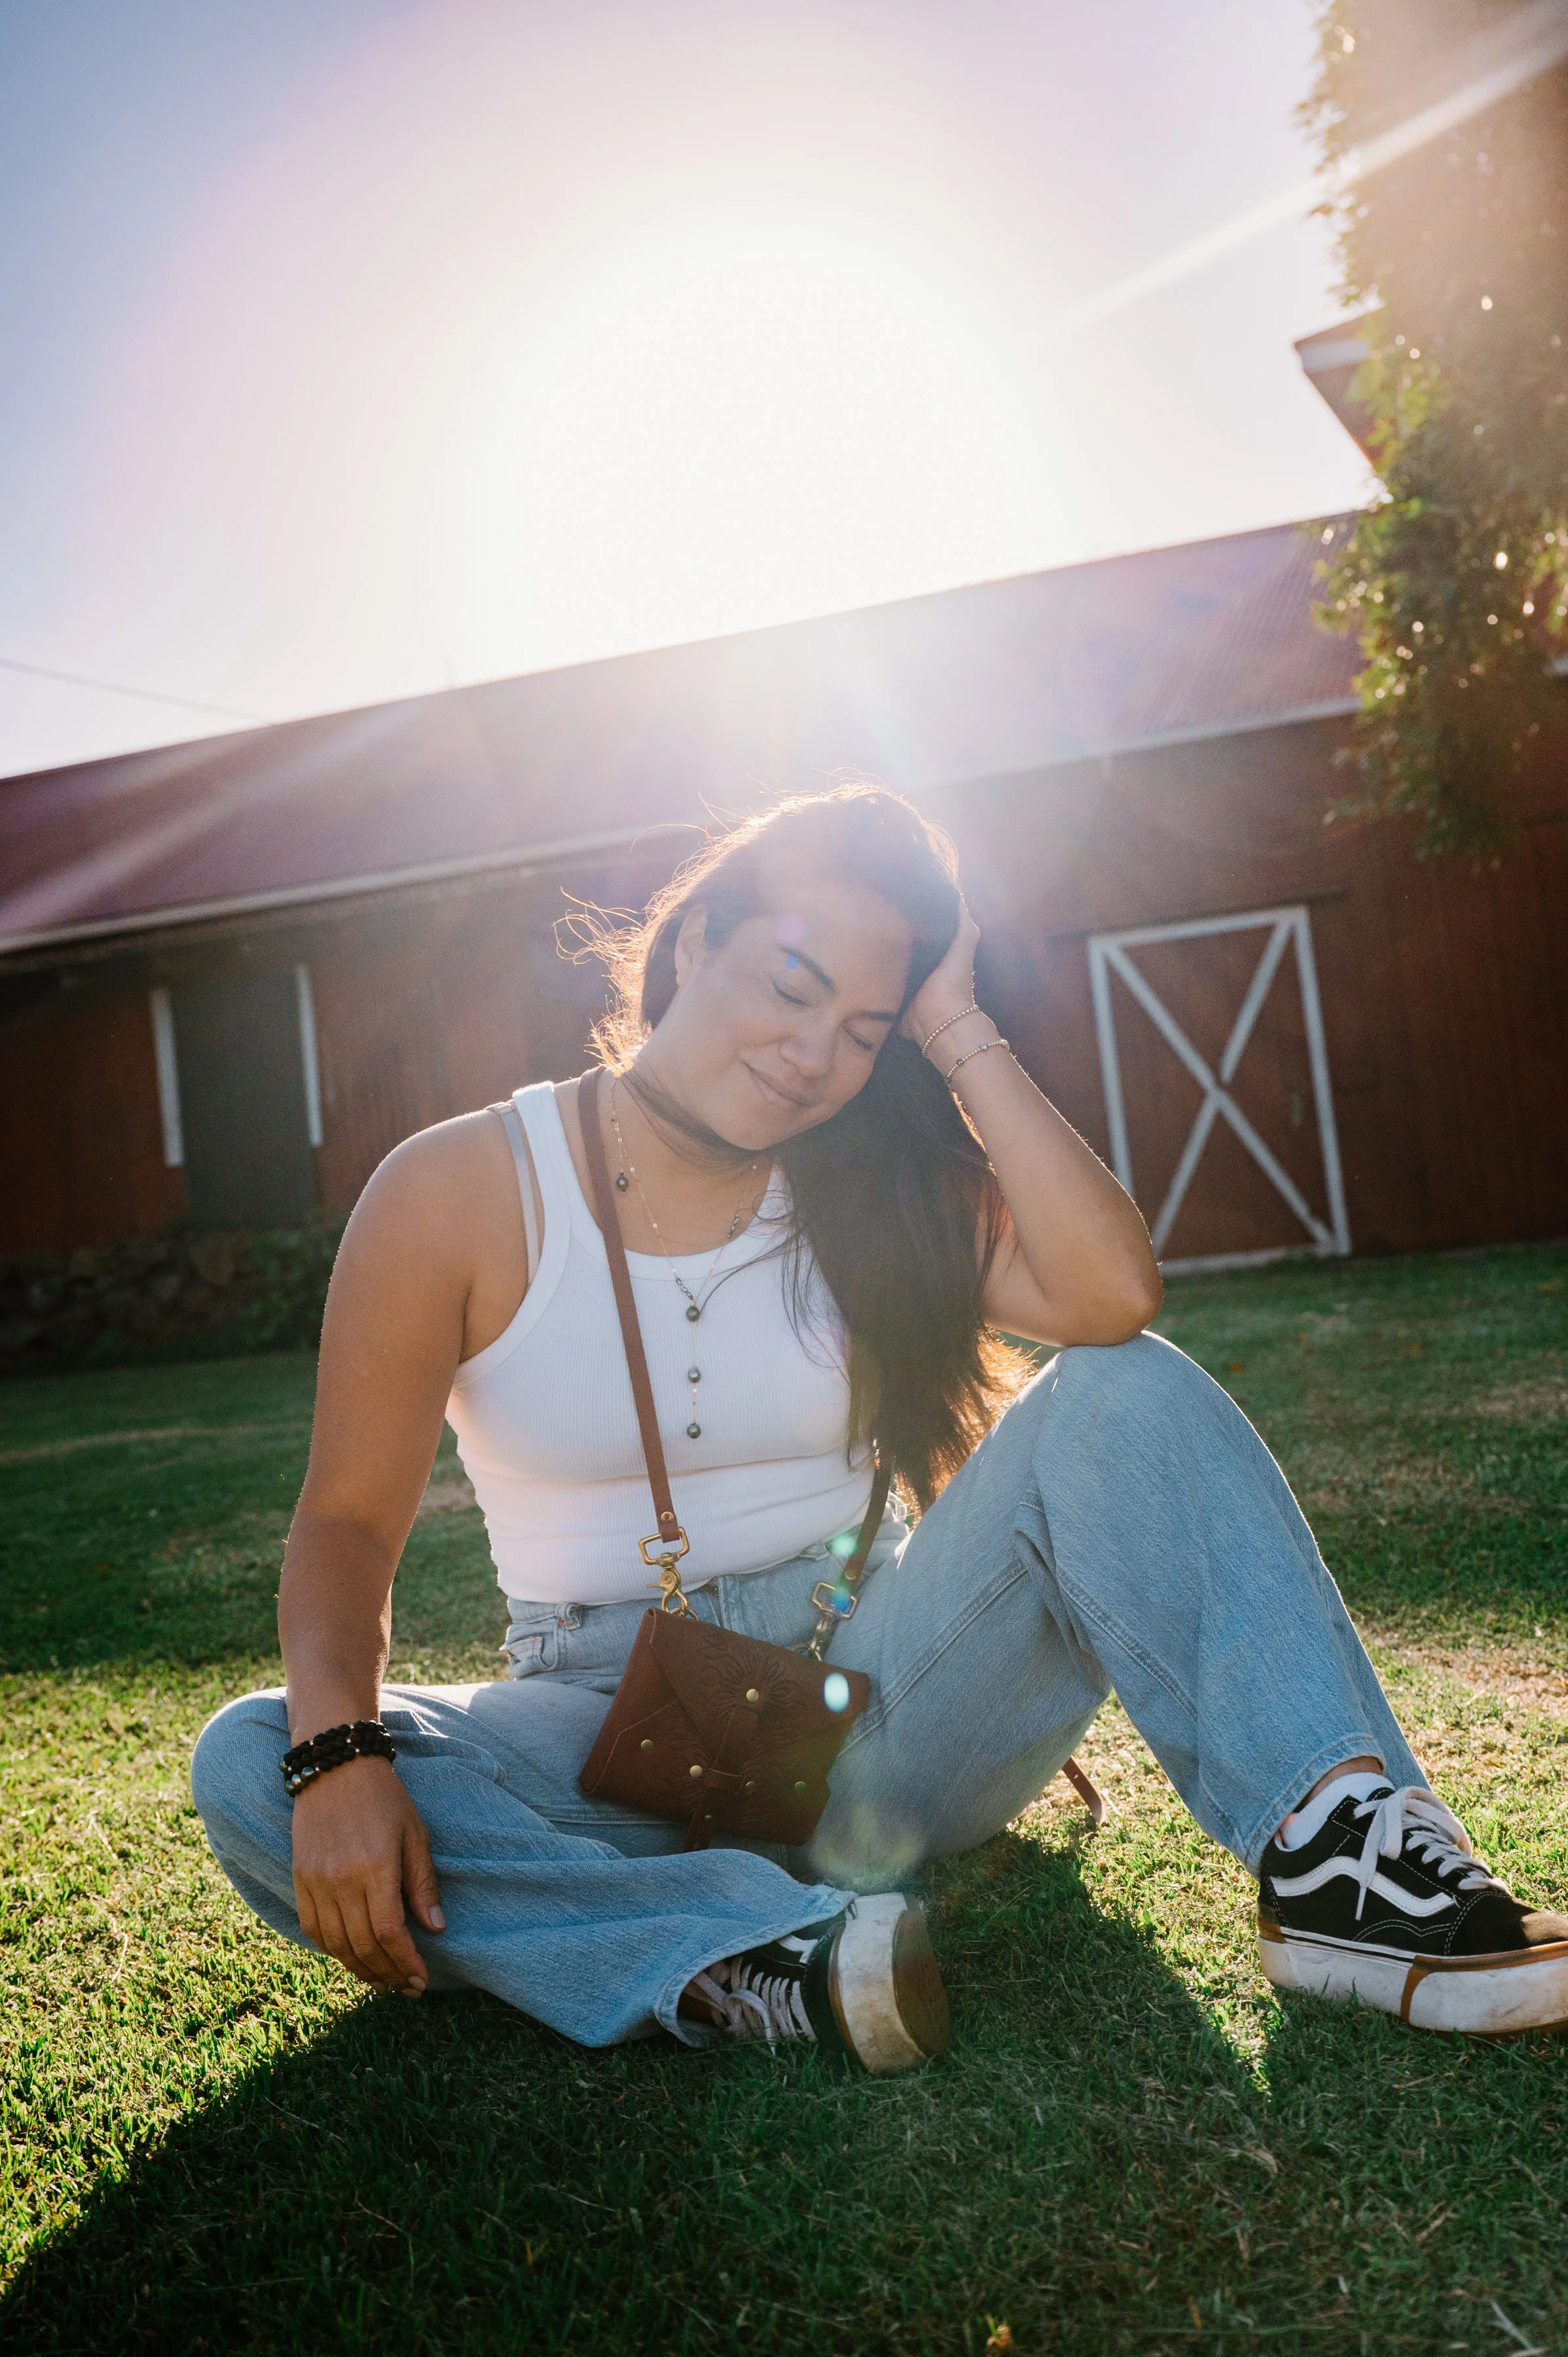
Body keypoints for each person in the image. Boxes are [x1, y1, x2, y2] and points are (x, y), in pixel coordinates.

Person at [192, 786, 1568, 2068]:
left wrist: (957, 1028)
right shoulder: (454, 1187)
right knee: (257, 1759)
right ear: (695, 946)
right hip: (606, 1722)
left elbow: (1110, 1293)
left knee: (1121, 1385)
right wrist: (340, 1756)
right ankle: (758, 1954)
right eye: (795, 988)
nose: (814, 1056)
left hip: (887, 1693)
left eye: (866, 1027)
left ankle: (1336, 1857)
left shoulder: (873, 1181)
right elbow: (347, 1525)